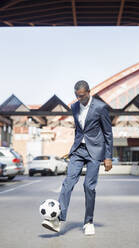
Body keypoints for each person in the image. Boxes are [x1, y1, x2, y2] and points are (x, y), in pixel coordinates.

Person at [42, 80, 113, 235]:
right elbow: (79, 130)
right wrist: (73, 148)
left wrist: (108, 157)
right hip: (78, 151)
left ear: (88, 92)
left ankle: (88, 222)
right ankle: (58, 220)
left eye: (82, 96)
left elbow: (108, 133)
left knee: (89, 186)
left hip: (95, 151)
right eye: (77, 96)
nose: (79, 99)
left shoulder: (100, 107)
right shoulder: (74, 106)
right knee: (68, 182)